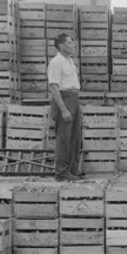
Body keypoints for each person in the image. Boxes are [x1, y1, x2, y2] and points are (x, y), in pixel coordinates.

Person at [47, 33, 84, 181]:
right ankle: (61, 173)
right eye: (69, 42)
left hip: (74, 99)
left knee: (74, 138)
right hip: (64, 99)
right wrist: (63, 109)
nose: (72, 44)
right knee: (64, 138)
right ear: (61, 46)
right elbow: (54, 87)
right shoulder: (56, 62)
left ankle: (72, 171)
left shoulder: (69, 61)